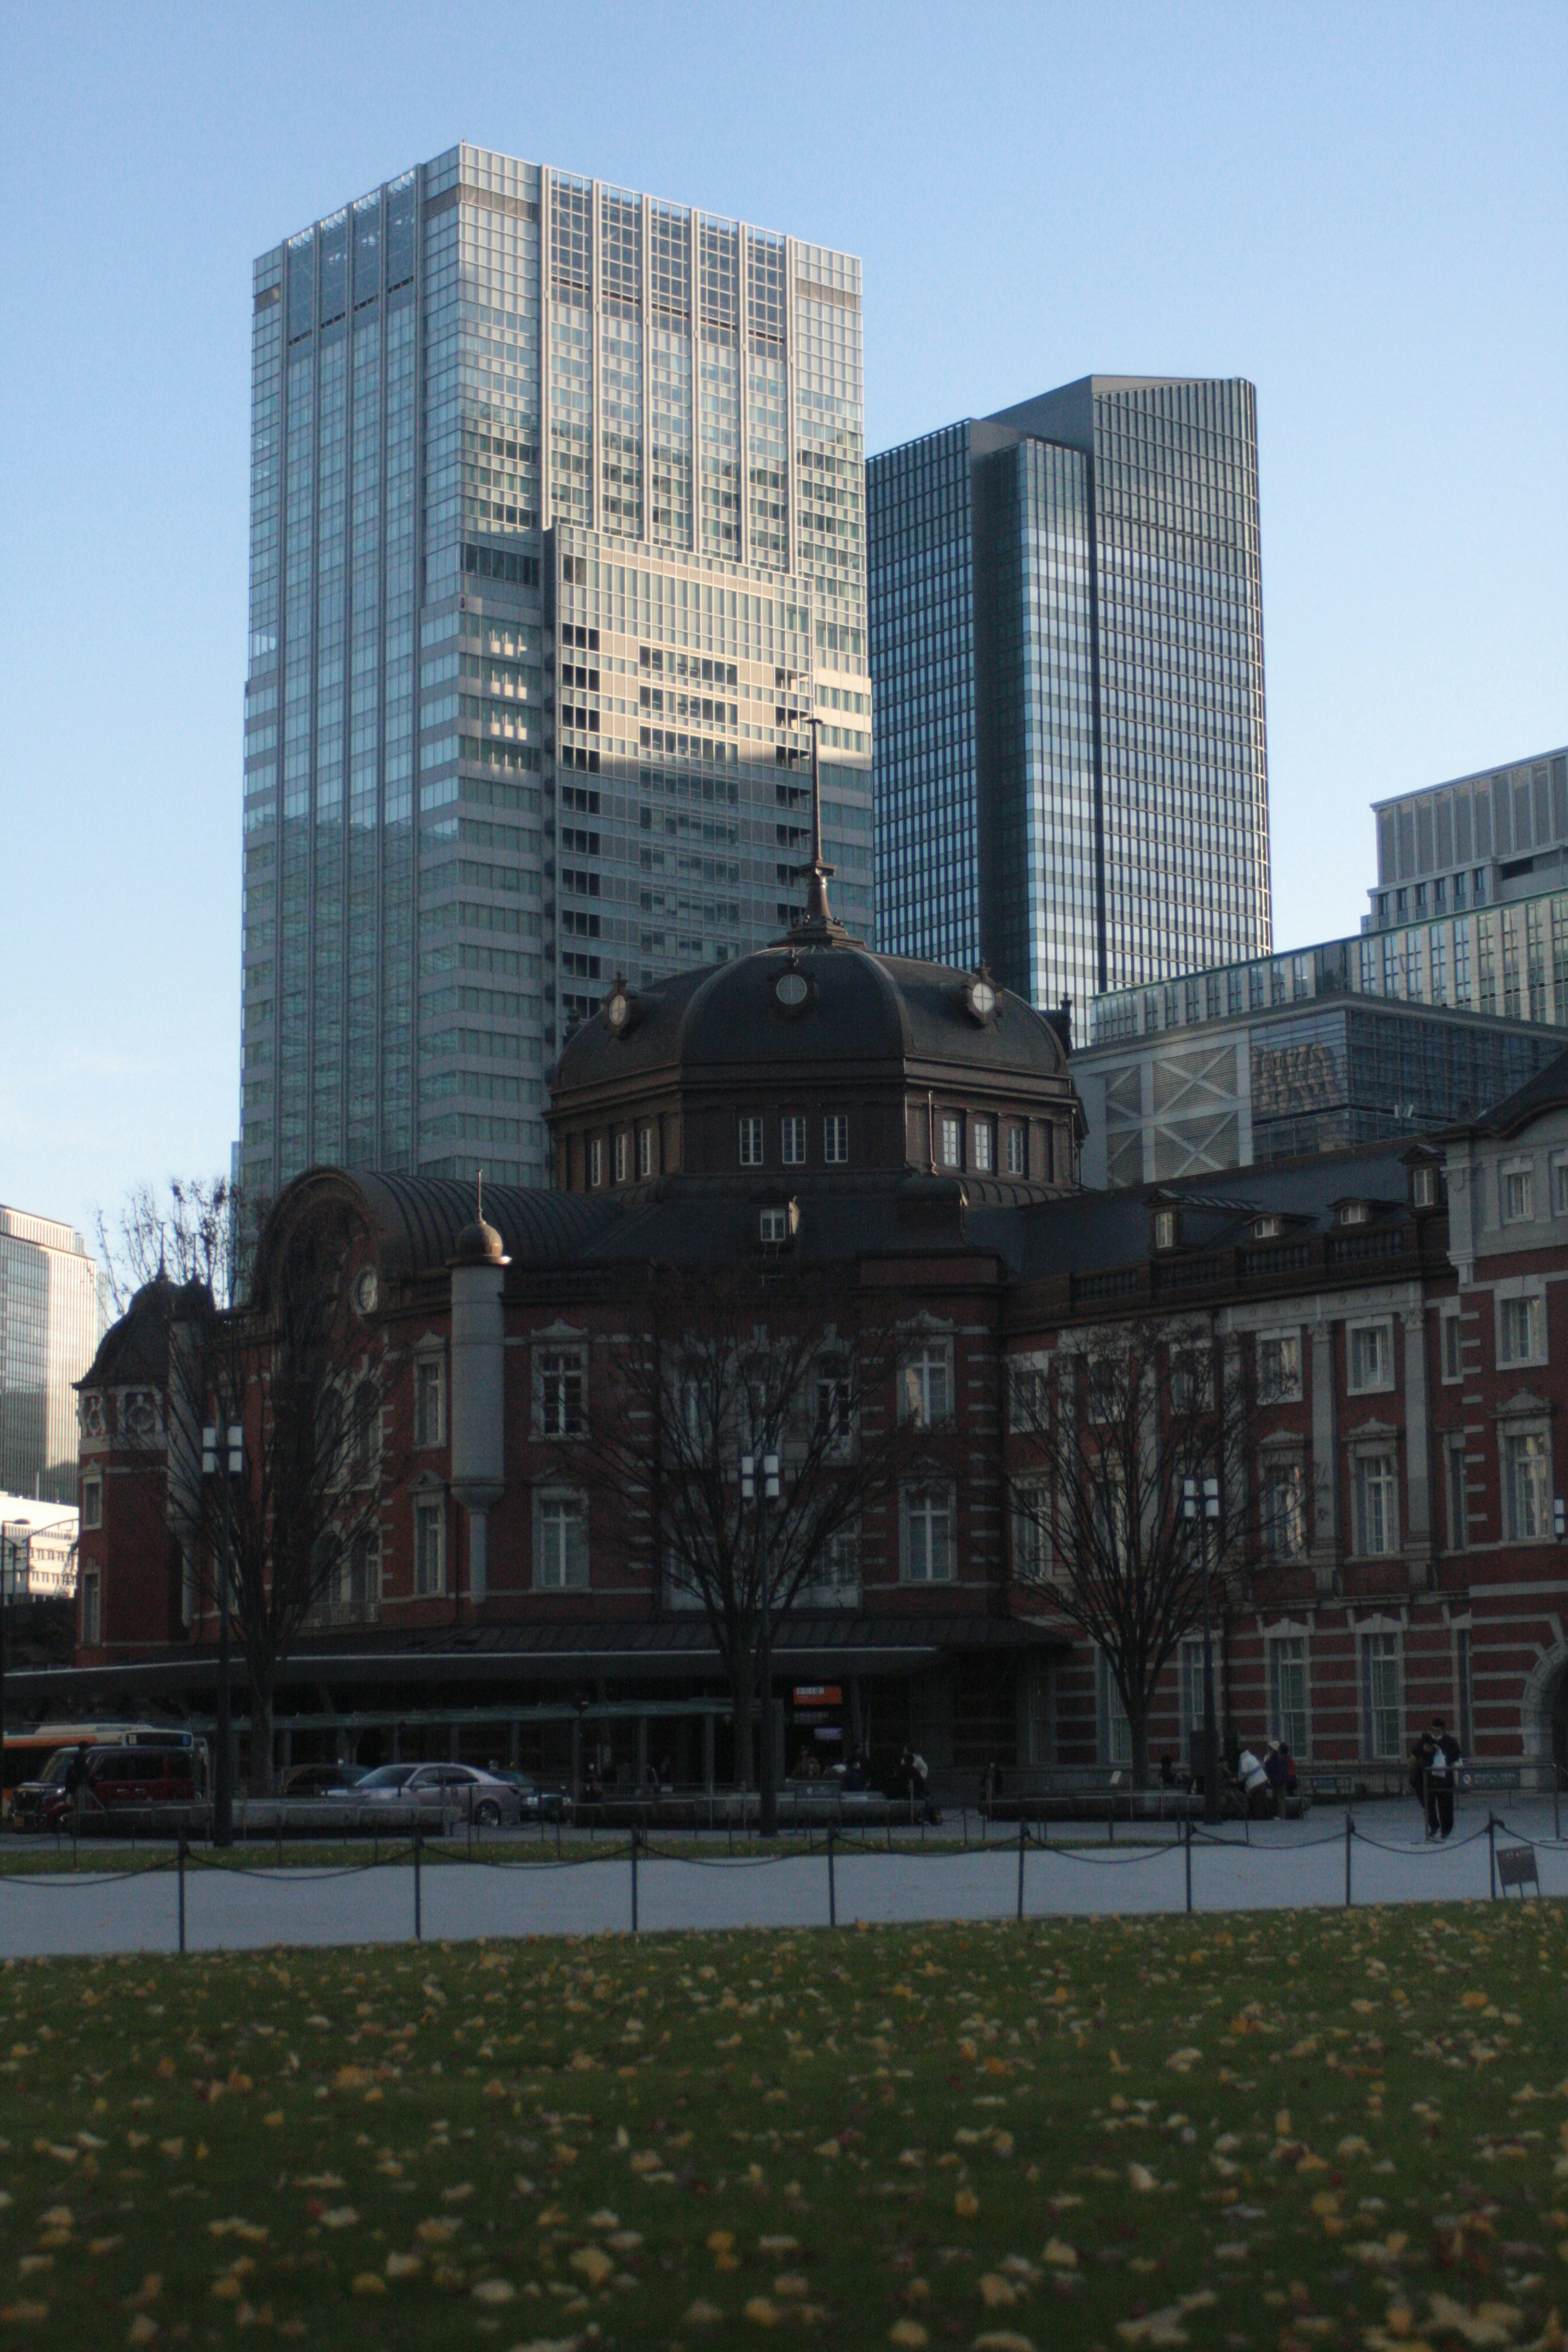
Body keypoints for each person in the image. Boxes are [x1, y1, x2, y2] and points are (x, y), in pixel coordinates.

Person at [1426, 1715, 1462, 1839]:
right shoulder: (1428, 1741)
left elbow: (1457, 1754)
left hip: (1445, 1779)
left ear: (1443, 1731)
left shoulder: (1450, 1741)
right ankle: (1434, 1826)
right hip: (1430, 1779)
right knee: (1429, 1805)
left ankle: (1446, 1830)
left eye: (1438, 1731)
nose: (1435, 1733)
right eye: (1433, 1731)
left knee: (1445, 1806)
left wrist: (1446, 1759)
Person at [1237, 1742, 1271, 1820]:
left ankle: (1258, 1816)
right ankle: (1265, 1815)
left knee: (1256, 1801)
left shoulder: (1244, 1760)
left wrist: (1238, 1779)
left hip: (1255, 1783)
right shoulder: (1252, 1757)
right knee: (1263, 1799)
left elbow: (1244, 1773)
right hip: (1263, 1779)